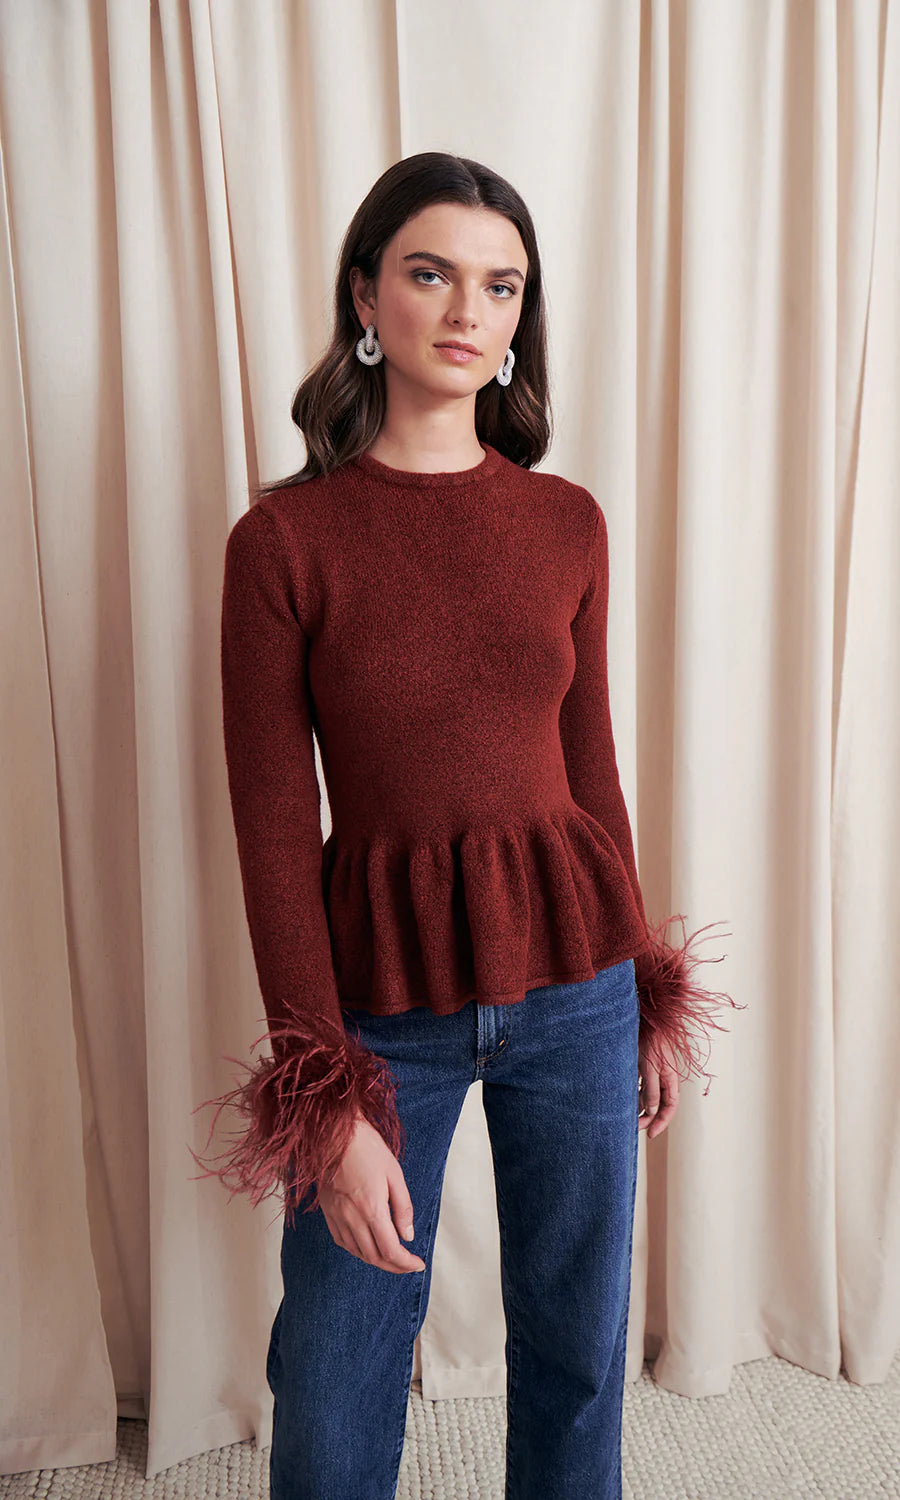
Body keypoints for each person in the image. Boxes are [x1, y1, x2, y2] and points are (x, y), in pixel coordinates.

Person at [190, 151, 737, 1500]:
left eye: (501, 285)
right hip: (379, 1010)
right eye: (431, 272)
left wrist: (644, 993)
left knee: (579, 1353)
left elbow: (591, 777)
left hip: (577, 987)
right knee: (333, 1365)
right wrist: (325, 1092)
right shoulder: (285, 543)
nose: (467, 309)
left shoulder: (566, 523)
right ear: (367, 294)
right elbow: (271, 832)